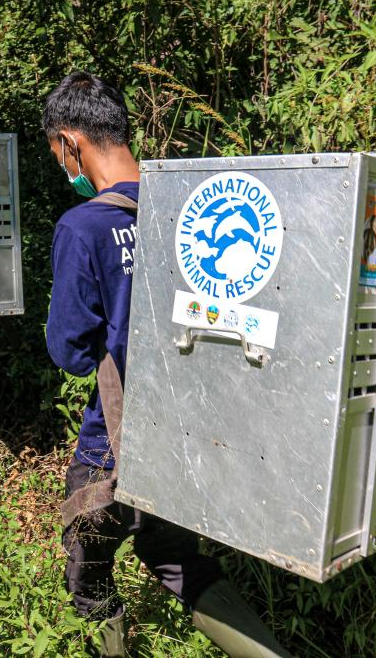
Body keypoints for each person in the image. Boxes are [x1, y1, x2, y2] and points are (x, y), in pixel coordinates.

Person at [43, 72, 290, 658]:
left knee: (86, 564)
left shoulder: (83, 227)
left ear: (72, 141)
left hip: (117, 437)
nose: (63, 167)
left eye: (58, 154)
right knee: (176, 557)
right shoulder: (184, 209)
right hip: (192, 427)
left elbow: (72, 352)